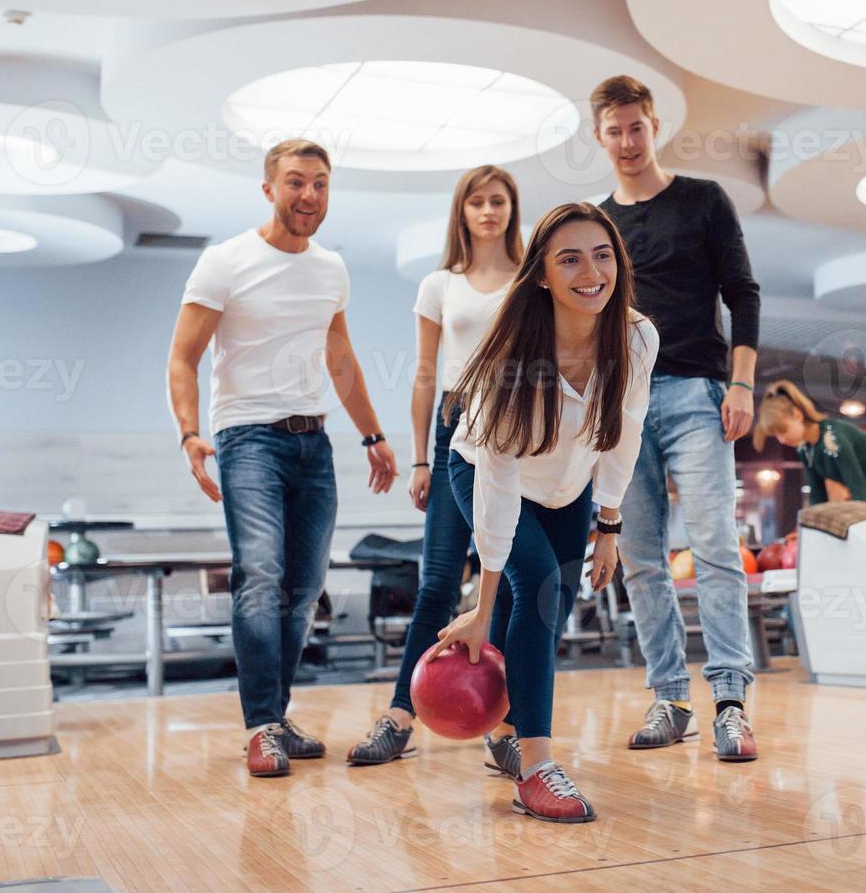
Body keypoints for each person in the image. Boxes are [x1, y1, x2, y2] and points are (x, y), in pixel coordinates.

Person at [167, 139, 398, 778]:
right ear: (268, 189)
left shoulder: (331, 269)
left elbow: (341, 357)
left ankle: (277, 715)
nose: (309, 196)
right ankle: (261, 728)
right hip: (247, 439)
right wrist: (190, 434)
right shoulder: (225, 262)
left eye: (321, 184)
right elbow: (183, 357)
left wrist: (373, 436)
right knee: (261, 575)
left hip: (313, 443)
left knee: (302, 590)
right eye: (296, 182)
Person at [434, 201, 657, 824]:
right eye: (570, 259)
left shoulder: (637, 336)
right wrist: (481, 605)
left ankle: (506, 734)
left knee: (547, 605)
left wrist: (608, 525)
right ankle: (535, 768)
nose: (591, 272)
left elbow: (626, 433)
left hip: (567, 487)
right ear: (541, 274)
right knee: (532, 587)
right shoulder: (512, 359)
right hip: (484, 471)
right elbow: (498, 486)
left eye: (602, 254)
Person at [594, 75, 761, 762]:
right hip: (621, 408)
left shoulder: (702, 201)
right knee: (641, 561)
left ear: (653, 126)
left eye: (637, 127)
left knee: (716, 547)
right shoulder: (597, 225)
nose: (628, 142)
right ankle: (669, 698)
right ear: (599, 137)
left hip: (697, 394)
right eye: (615, 131)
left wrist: (743, 384)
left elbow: (742, 293)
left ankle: (730, 702)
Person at [344, 166, 524, 774]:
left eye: (499, 200)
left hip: (520, 432)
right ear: (463, 212)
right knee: (439, 579)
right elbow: (425, 373)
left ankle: (509, 726)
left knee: (518, 581)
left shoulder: (532, 278)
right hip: (455, 428)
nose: (489, 210)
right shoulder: (439, 284)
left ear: (511, 209)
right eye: (478, 201)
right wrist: (421, 456)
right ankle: (400, 714)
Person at [754, 381, 866, 512]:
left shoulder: (832, 438)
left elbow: (857, 487)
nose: (781, 440)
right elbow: (818, 496)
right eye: (776, 435)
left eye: (783, 431)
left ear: (797, 415)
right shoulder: (805, 449)